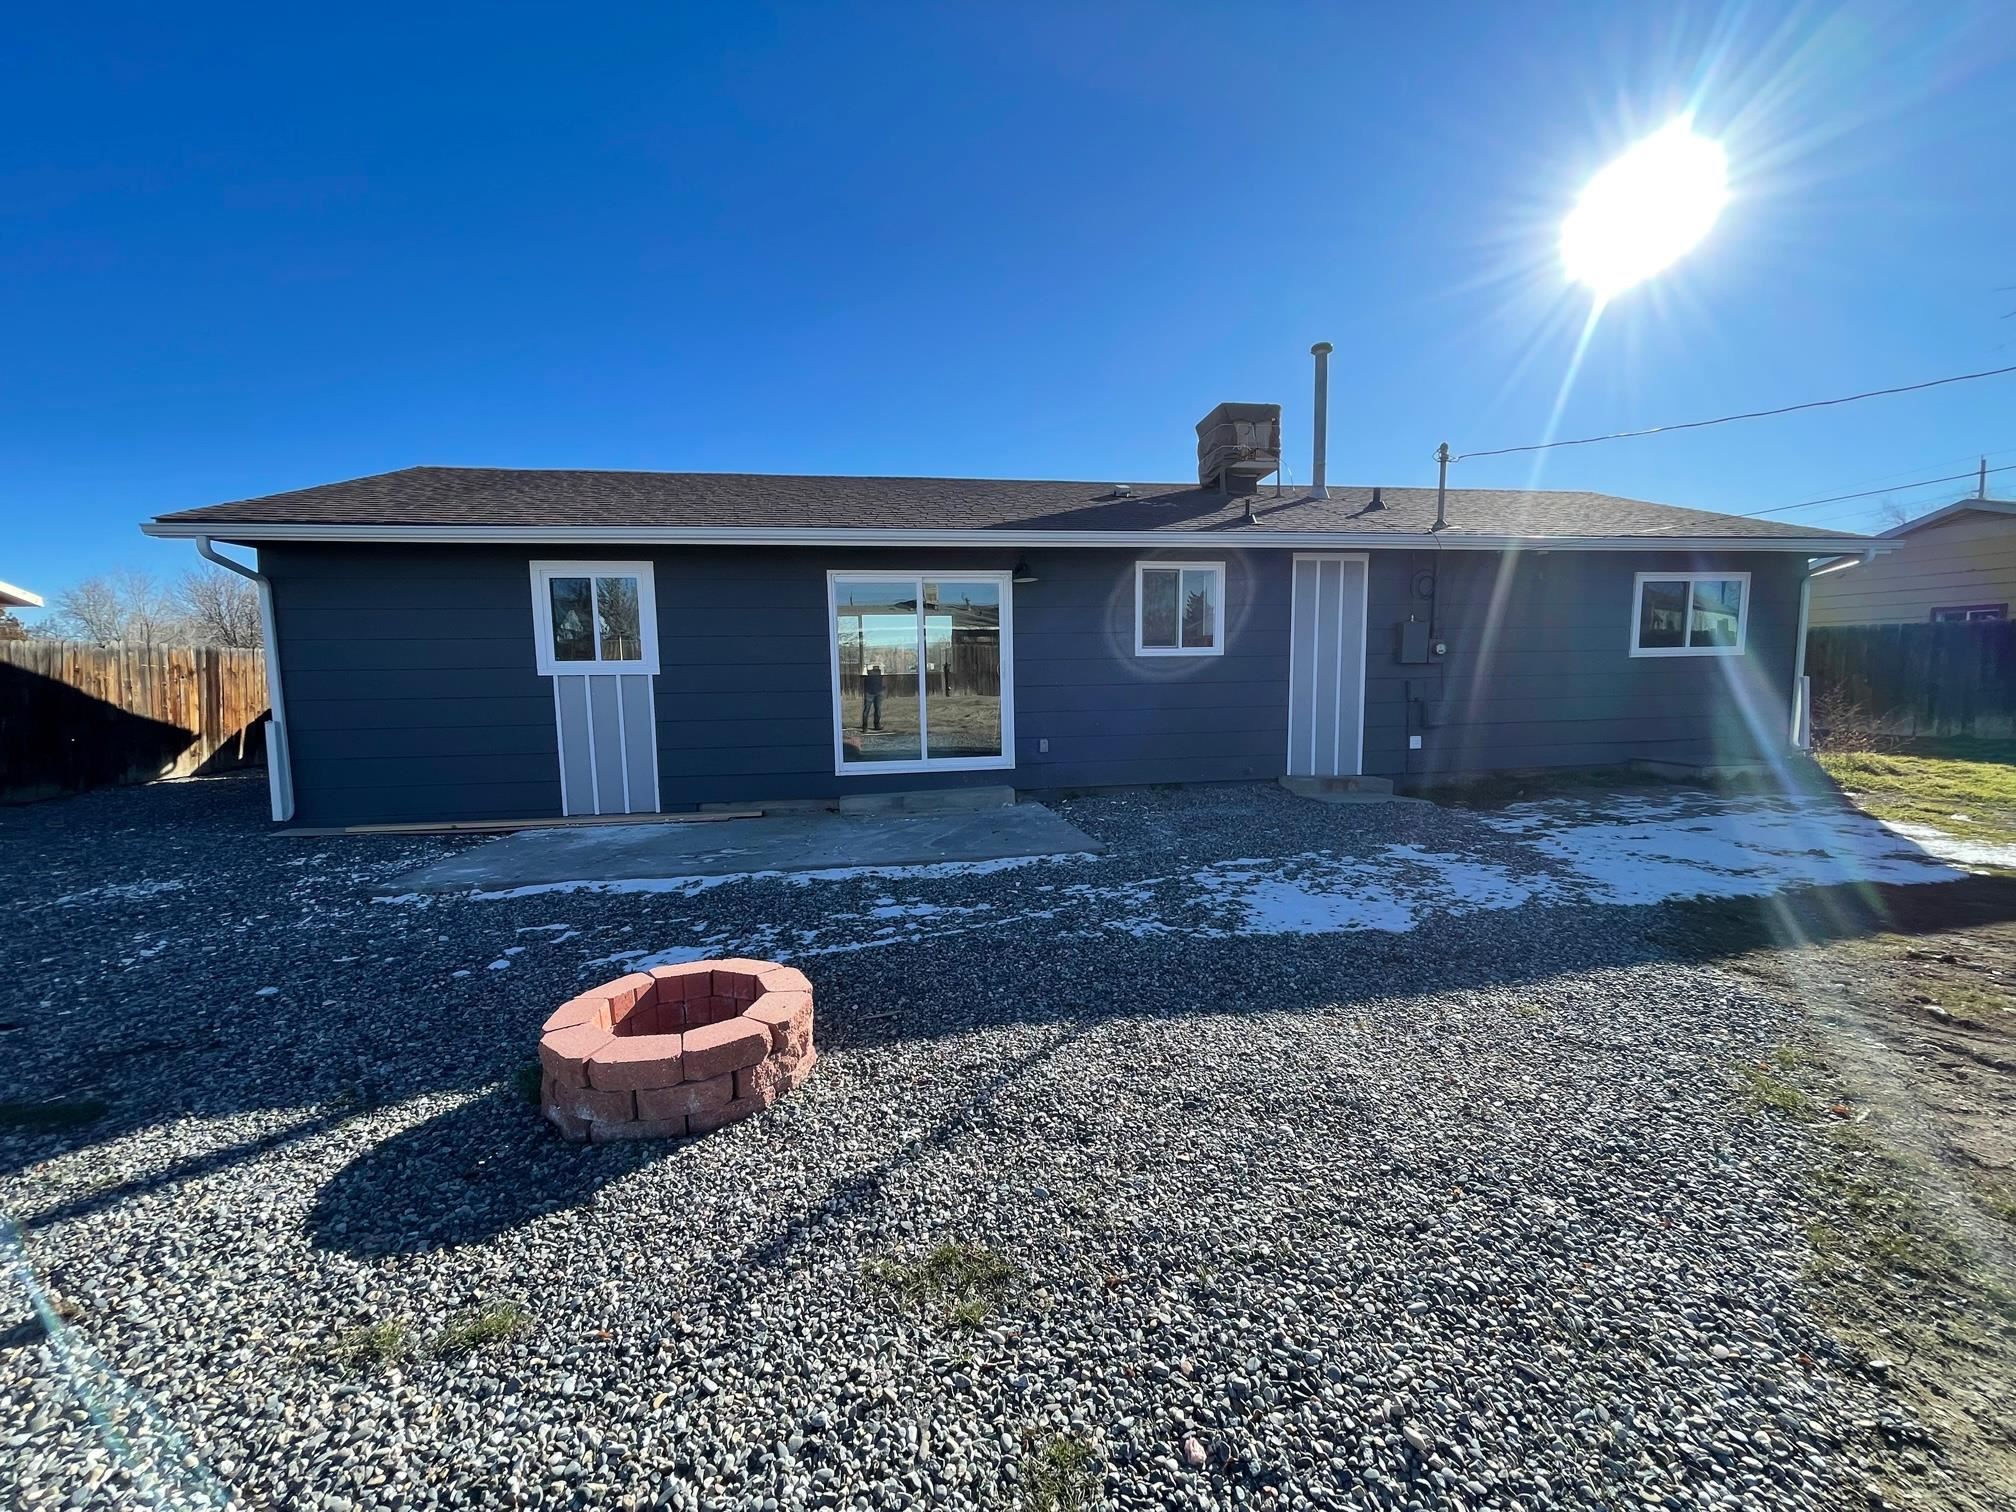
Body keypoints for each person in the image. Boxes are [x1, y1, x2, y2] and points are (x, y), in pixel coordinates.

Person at [860, 663, 885, 731]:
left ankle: (877, 725)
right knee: (866, 709)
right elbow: (862, 675)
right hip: (869, 691)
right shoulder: (866, 667)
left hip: (878, 690)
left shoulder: (881, 668)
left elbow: (883, 676)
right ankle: (865, 726)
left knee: (878, 709)